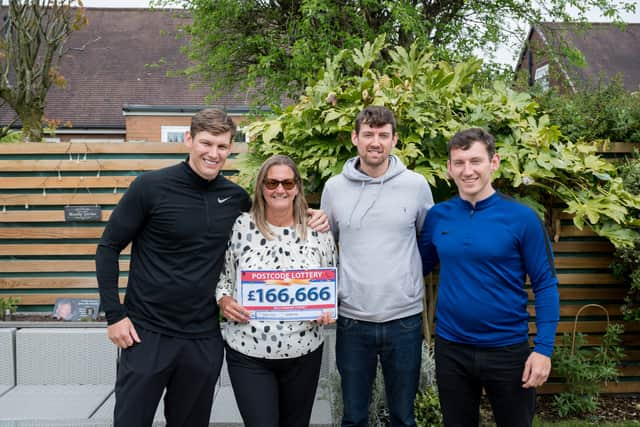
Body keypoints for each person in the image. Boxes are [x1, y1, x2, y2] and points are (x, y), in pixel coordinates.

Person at [95, 109, 329, 427]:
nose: (213, 153)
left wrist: (313, 216)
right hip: (147, 333)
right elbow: (108, 247)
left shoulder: (235, 199)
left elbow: (276, 212)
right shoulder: (149, 187)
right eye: (206, 143)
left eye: (222, 146)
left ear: (231, 147)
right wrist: (114, 315)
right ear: (189, 140)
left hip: (203, 339)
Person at [418, 128, 560, 426]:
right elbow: (417, 267)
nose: (467, 171)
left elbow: (545, 285)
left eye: (475, 161)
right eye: (459, 162)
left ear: (493, 163)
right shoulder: (438, 217)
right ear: (449, 168)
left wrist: (544, 350)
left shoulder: (522, 219)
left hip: (508, 350)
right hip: (451, 348)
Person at [320, 105, 434, 427]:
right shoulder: (334, 188)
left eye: (383, 135)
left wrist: (407, 280)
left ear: (394, 139)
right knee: (354, 417)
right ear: (355, 138)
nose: (375, 141)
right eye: (368, 134)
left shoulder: (416, 185)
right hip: (354, 322)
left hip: (405, 321)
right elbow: (328, 247)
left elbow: (427, 241)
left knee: (403, 416)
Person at [216, 155, 337, 427]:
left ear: (297, 188)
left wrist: (327, 310)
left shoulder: (319, 231)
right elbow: (224, 278)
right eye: (271, 182)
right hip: (249, 351)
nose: (279, 189)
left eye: (287, 182)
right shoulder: (239, 227)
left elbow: (330, 282)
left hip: (304, 351)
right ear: (261, 186)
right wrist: (224, 301)